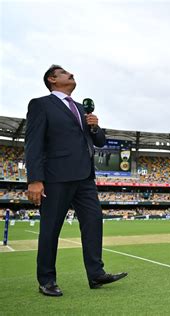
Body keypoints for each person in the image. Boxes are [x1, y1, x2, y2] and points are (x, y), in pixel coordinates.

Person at [25, 65, 127, 297]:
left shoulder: (81, 108)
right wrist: (35, 180)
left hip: (84, 177)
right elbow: (33, 143)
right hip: (55, 177)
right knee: (51, 229)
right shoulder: (41, 104)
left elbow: (100, 141)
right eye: (64, 72)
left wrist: (94, 125)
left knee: (93, 222)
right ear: (53, 80)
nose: (71, 74)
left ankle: (96, 274)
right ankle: (47, 279)